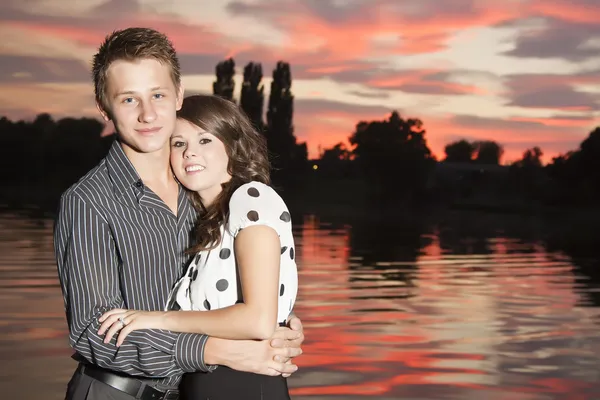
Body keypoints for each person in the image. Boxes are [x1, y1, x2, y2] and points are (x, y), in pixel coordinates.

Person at [54, 27, 303, 400]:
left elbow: (227, 289)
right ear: (104, 107)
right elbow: (94, 333)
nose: (147, 114)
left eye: (157, 94)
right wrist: (210, 349)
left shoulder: (201, 190)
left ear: (178, 96)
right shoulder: (89, 201)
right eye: (128, 100)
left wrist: (279, 323)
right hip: (117, 392)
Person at [98, 94, 299, 399]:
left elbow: (258, 321)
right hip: (208, 383)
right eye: (179, 144)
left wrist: (154, 317)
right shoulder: (210, 222)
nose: (190, 153)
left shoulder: (251, 197)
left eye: (205, 140)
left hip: (242, 385)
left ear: (233, 146)